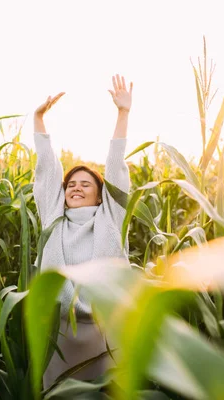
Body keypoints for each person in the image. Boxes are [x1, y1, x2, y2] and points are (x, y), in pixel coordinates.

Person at [33, 74, 133, 390]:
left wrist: (123, 114)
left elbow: (116, 167)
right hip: (59, 331)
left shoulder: (111, 217)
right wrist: (38, 119)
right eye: (71, 185)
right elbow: (48, 169)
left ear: (100, 194)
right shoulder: (54, 216)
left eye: (85, 184)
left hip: (104, 329)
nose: (76, 188)